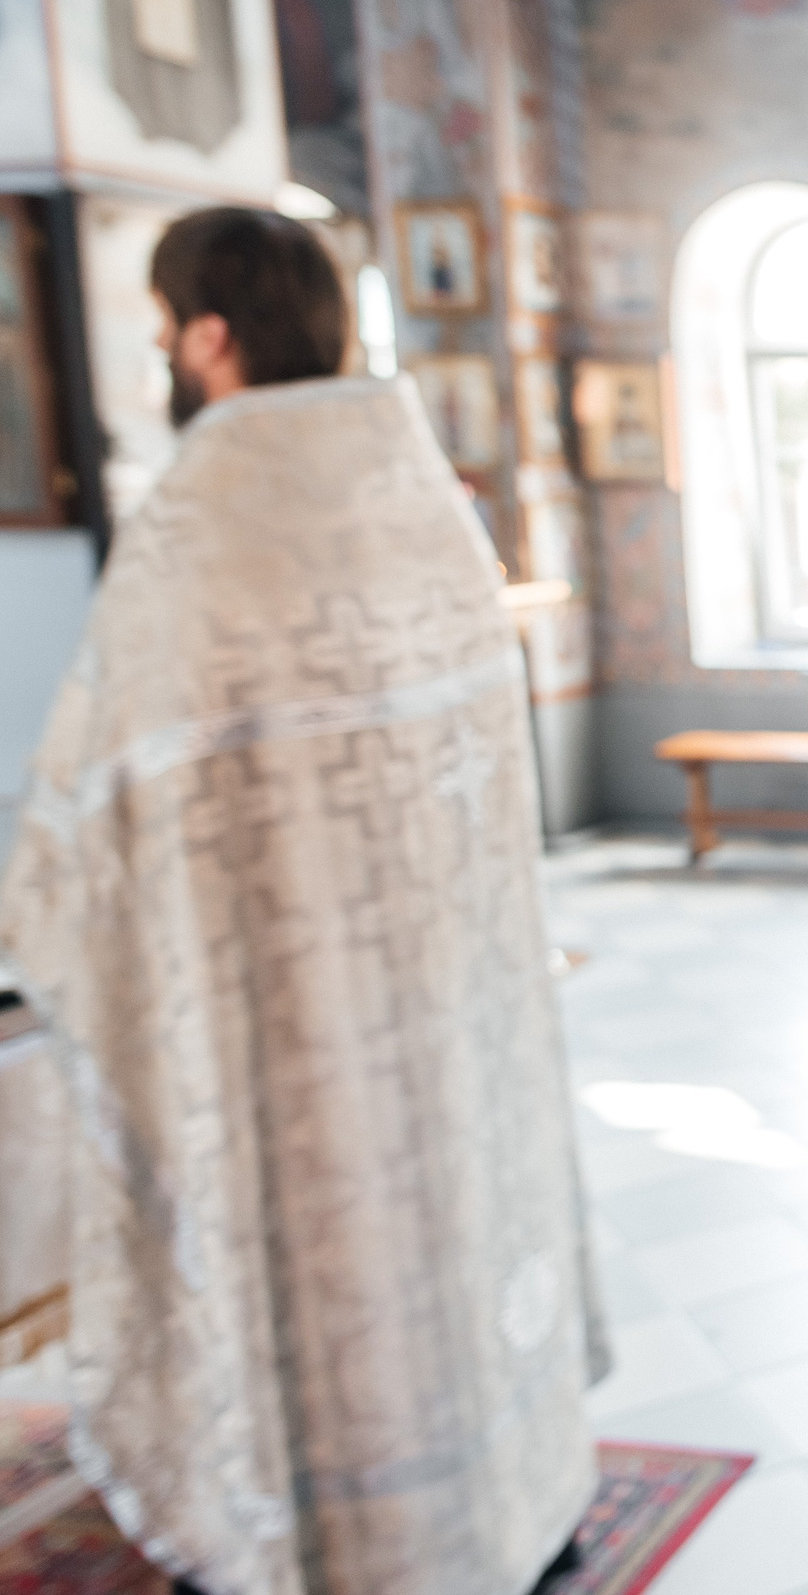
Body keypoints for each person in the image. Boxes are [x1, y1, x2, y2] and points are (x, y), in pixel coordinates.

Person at [0, 207, 605, 1595]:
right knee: (454, 1239)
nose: (163, 354)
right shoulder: (419, 501)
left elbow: (93, 814)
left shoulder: (203, 528)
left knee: (333, 1285)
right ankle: (510, 1507)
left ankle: (356, 1547)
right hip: (452, 1004)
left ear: (213, 337)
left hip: (292, 1036)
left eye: (166, 329)